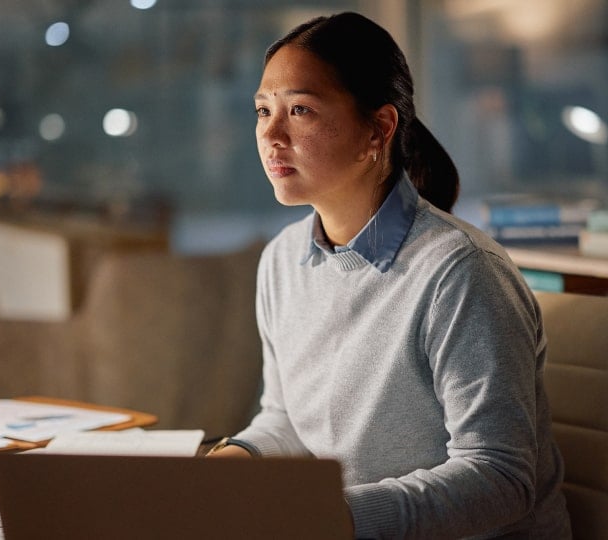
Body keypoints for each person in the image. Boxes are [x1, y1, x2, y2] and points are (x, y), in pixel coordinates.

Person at [207, 11, 571, 539]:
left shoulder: (460, 272)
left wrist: (328, 515)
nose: (271, 133)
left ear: (378, 128)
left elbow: (500, 478)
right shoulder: (282, 260)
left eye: (300, 110)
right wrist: (231, 460)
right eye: (263, 110)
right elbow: (287, 418)